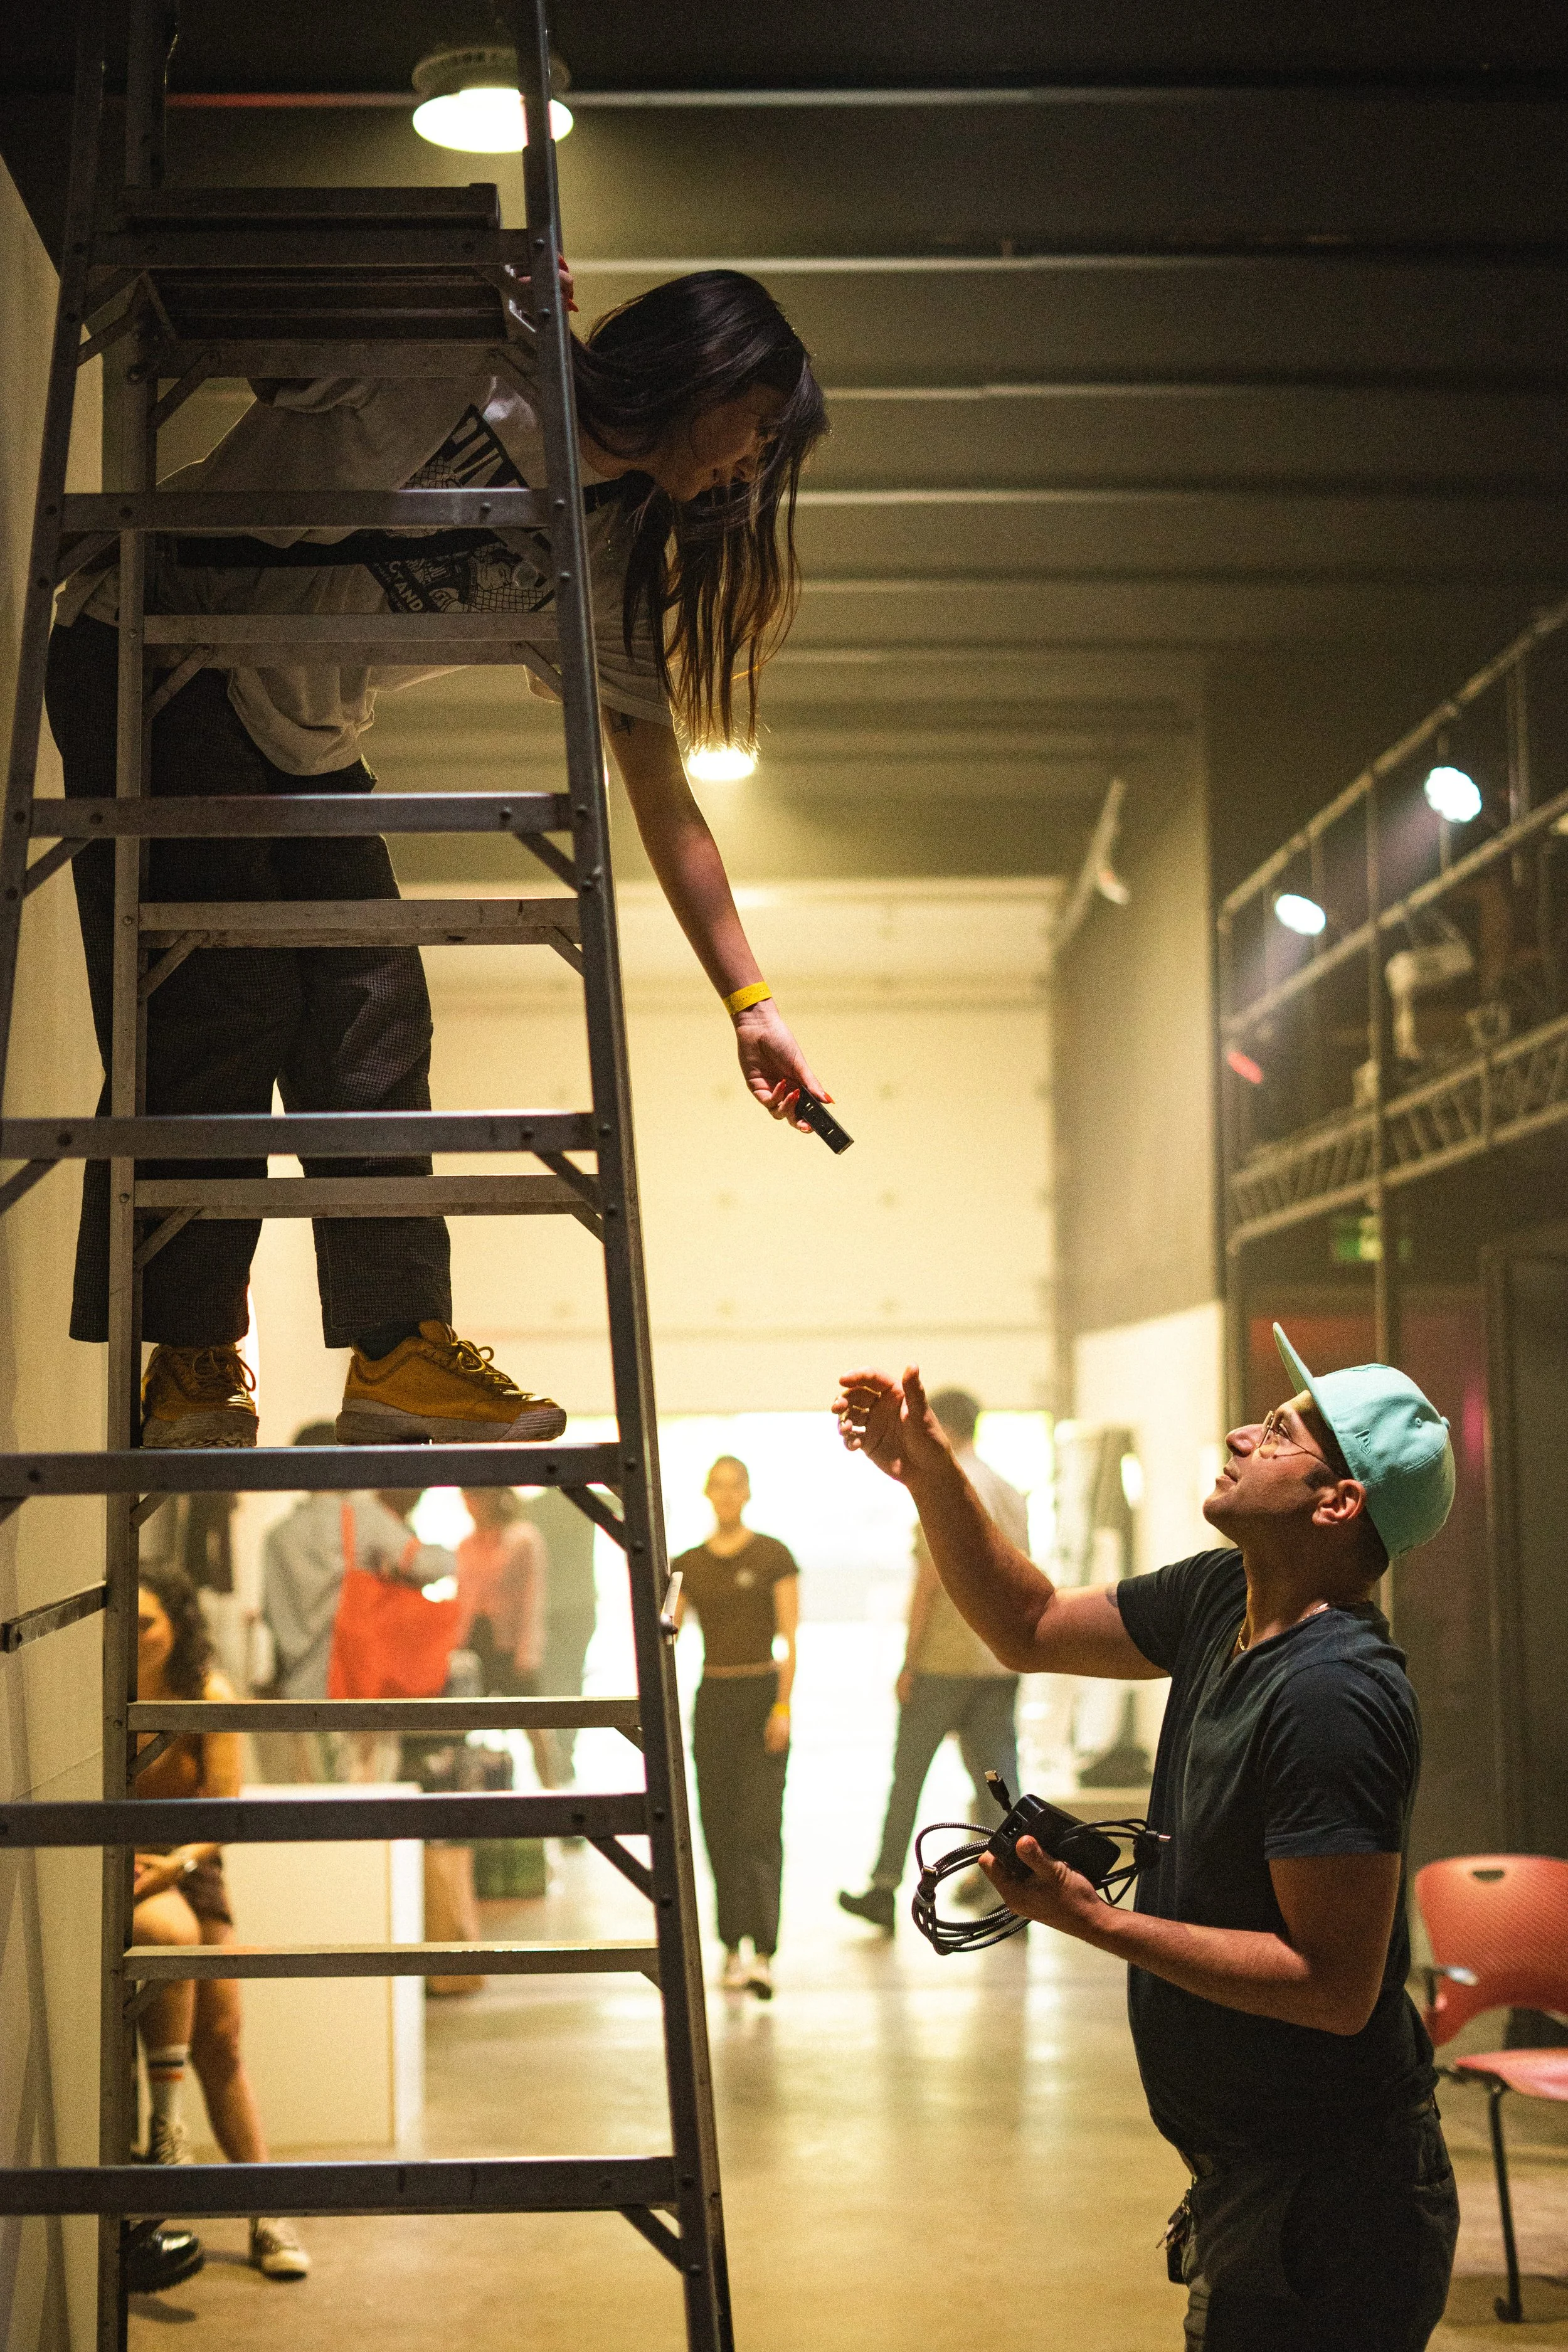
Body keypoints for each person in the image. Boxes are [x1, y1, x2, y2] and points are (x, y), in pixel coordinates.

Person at [45, 268, 832, 1449]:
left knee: (374, 1011)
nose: (751, 468)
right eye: (759, 430)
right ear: (705, 369)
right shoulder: (470, 364)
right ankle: (195, 1358)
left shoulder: (606, 553)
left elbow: (661, 789)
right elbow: (239, 325)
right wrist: (439, 284)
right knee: (221, 999)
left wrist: (750, 999)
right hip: (155, 650)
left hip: (299, 729)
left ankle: (395, 1352)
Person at [836, 1328, 1460, 2352]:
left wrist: (1092, 1920)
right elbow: (1027, 1623)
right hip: (1255, 2185)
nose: (1239, 1433)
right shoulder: (1225, 1601)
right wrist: (926, 1472)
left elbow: (1332, 1986)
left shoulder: (1330, 1698)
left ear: (1338, 1503)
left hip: (1331, 2205)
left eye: (1277, 1434)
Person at [132, 1560, 310, 2282]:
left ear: (177, 1627)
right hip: (121, 1865)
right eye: (130, 1622)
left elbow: (226, 1808)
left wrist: (177, 1862)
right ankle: (166, 2132)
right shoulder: (102, 1694)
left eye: (148, 1623)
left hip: (187, 1867)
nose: (137, 1636)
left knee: (224, 2041)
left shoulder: (206, 1693)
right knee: (168, 1943)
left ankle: (265, 2212)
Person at [840, 1387, 1027, 1934]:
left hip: (945, 1662)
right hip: (998, 1661)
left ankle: (883, 1889)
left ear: (939, 1428)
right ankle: (1020, 1890)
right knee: (999, 1782)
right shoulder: (1010, 1491)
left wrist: (908, 1659)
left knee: (909, 1777)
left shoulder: (949, 1485)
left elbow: (929, 1580)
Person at [670, 1458, 798, 2000]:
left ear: (747, 1492)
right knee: (719, 1827)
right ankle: (730, 1946)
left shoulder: (773, 1556)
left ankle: (764, 1952)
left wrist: (783, 1708)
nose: (726, 1496)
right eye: (717, 1487)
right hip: (714, 1698)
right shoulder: (688, 1563)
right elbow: (668, 1628)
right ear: (707, 1494)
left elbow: (790, 1637)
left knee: (759, 1826)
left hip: (760, 1697)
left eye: (734, 1487)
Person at [457, 1486, 553, 1786]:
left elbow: (532, 1598)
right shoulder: (467, 1544)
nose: (471, 1503)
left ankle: (555, 1798)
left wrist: (527, 1652)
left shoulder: (523, 1539)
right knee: (459, 1726)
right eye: (467, 1496)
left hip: (510, 1645)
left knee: (536, 1727)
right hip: (475, 1643)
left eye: (477, 1495)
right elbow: (463, 1599)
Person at [527, 1484, 601, 1786]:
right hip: (580, 1607)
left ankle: (556, 1753)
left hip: (548, 1610)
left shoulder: (533, 1510)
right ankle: (564, 1749)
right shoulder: (589, 1502)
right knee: (571, 1680)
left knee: (549, 1683)